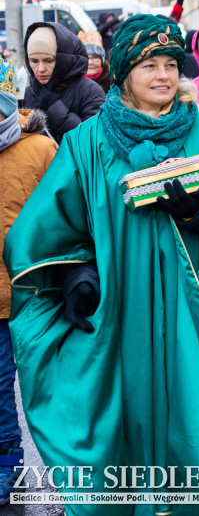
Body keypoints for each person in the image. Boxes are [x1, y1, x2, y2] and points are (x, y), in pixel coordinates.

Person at [4, 14, 199, 513]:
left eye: (170, 65)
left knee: (191, 421)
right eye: (149, 66)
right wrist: (76, 274)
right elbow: (48, 228)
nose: (163, 76)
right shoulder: (87, 142)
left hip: (186, 307)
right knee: (115, 419)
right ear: (122, 74)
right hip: (117, 309)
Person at [0, 59, 56, 505]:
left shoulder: (38, 148)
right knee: (0, 390)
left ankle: (77, 466)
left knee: (51, 387)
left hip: (37, 294)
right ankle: (8, 466)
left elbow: (66, 216)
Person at [23, 23, 106, 144]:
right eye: (34, 61)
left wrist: (54, 108)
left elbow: (92, 140)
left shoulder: (90, 91)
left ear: (63, 59)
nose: (40, 68)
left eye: (48, 61)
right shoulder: (26, 94)